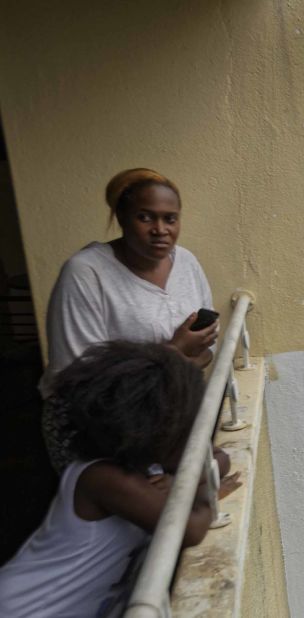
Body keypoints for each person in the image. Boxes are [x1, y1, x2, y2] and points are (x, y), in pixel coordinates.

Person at [0, 342, 217, 617]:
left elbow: (217, 457)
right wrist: (205, 493)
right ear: (154, 430)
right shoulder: (104, 479)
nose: (191, 434)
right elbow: (189, 529)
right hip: (27, 608)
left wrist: (180, 481)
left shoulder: (145, 468)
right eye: (184, 425)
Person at [41, 168, 219, 473]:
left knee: (205, 476)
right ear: (120, 218)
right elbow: (79, 382)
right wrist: (173, 353)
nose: (160, 229)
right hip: (98, 434)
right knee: (138, 514)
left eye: (170, 218)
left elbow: (206, 351)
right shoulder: (86, 274)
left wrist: (173, 365)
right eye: (145, 217)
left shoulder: (186, 262)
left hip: (165, 420)